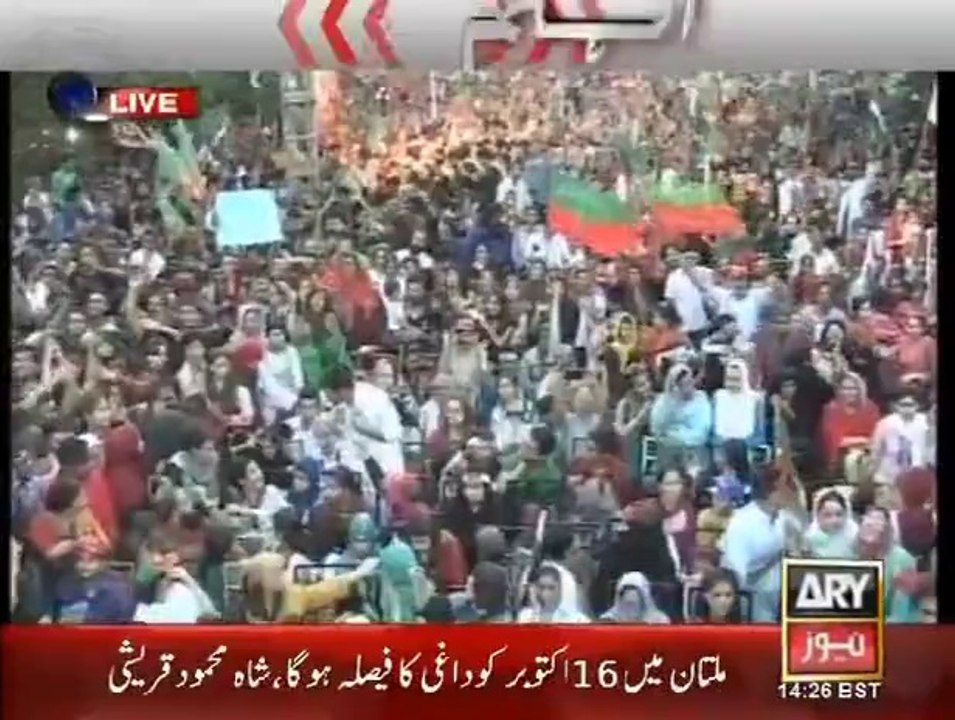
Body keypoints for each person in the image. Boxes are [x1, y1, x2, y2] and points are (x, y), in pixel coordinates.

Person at [517, 565, 589, 623]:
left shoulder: (577, 619)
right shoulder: (525, 616)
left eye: (551, 588)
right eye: (542, 587)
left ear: (560, 589)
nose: (546, 593)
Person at [600, 571, 670, 623]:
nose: (630, 594)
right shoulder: (607, 620)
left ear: (645, 596)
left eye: (635, 589)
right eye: (626, 590)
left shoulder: (659, 621)